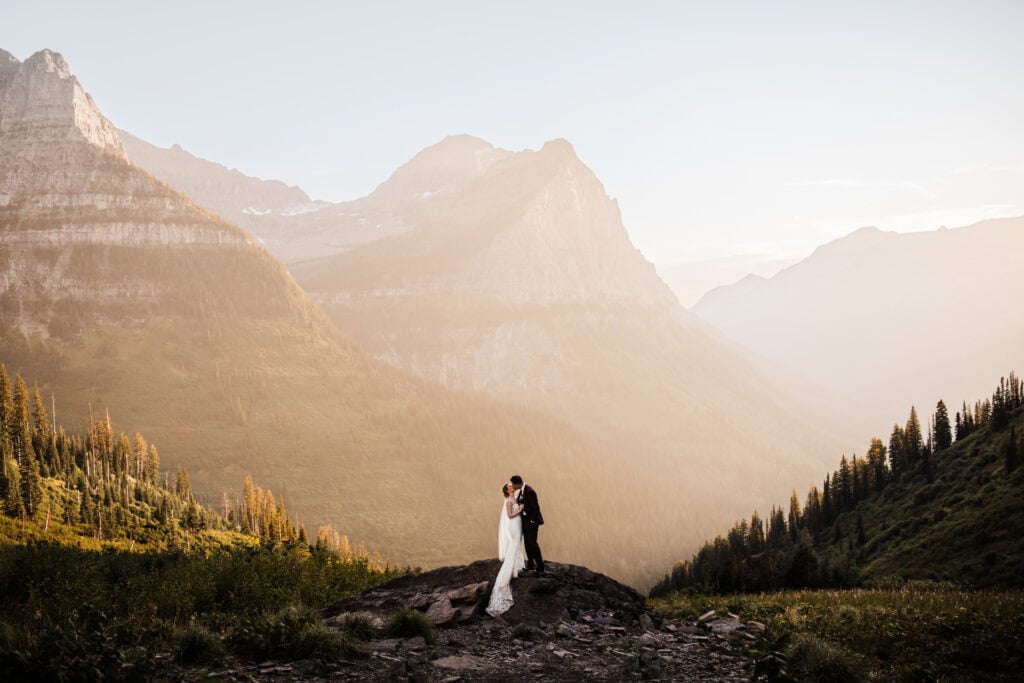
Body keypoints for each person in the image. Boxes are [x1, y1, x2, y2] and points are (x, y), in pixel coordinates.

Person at [485, 482, 526, 617]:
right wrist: (520, 509)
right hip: (514, 524)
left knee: (517, 544)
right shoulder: (509, 500)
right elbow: (509, 515)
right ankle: (504, 581)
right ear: (507, 490)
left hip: (518, 523)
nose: (512, 486)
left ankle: (516, 567)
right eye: (509, 486)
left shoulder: (515, 498)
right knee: (514, 544)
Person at [510, 474, 544, 574]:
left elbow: (536, 507)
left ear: (517, 484)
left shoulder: (530, 491)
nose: (512, 486)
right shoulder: (522, 491)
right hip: (525, 521)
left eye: (513, 484)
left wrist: (532, 521)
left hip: (531, 522)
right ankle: (530, 565)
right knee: (527, 543)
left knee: (533, 543)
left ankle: (540, 566)